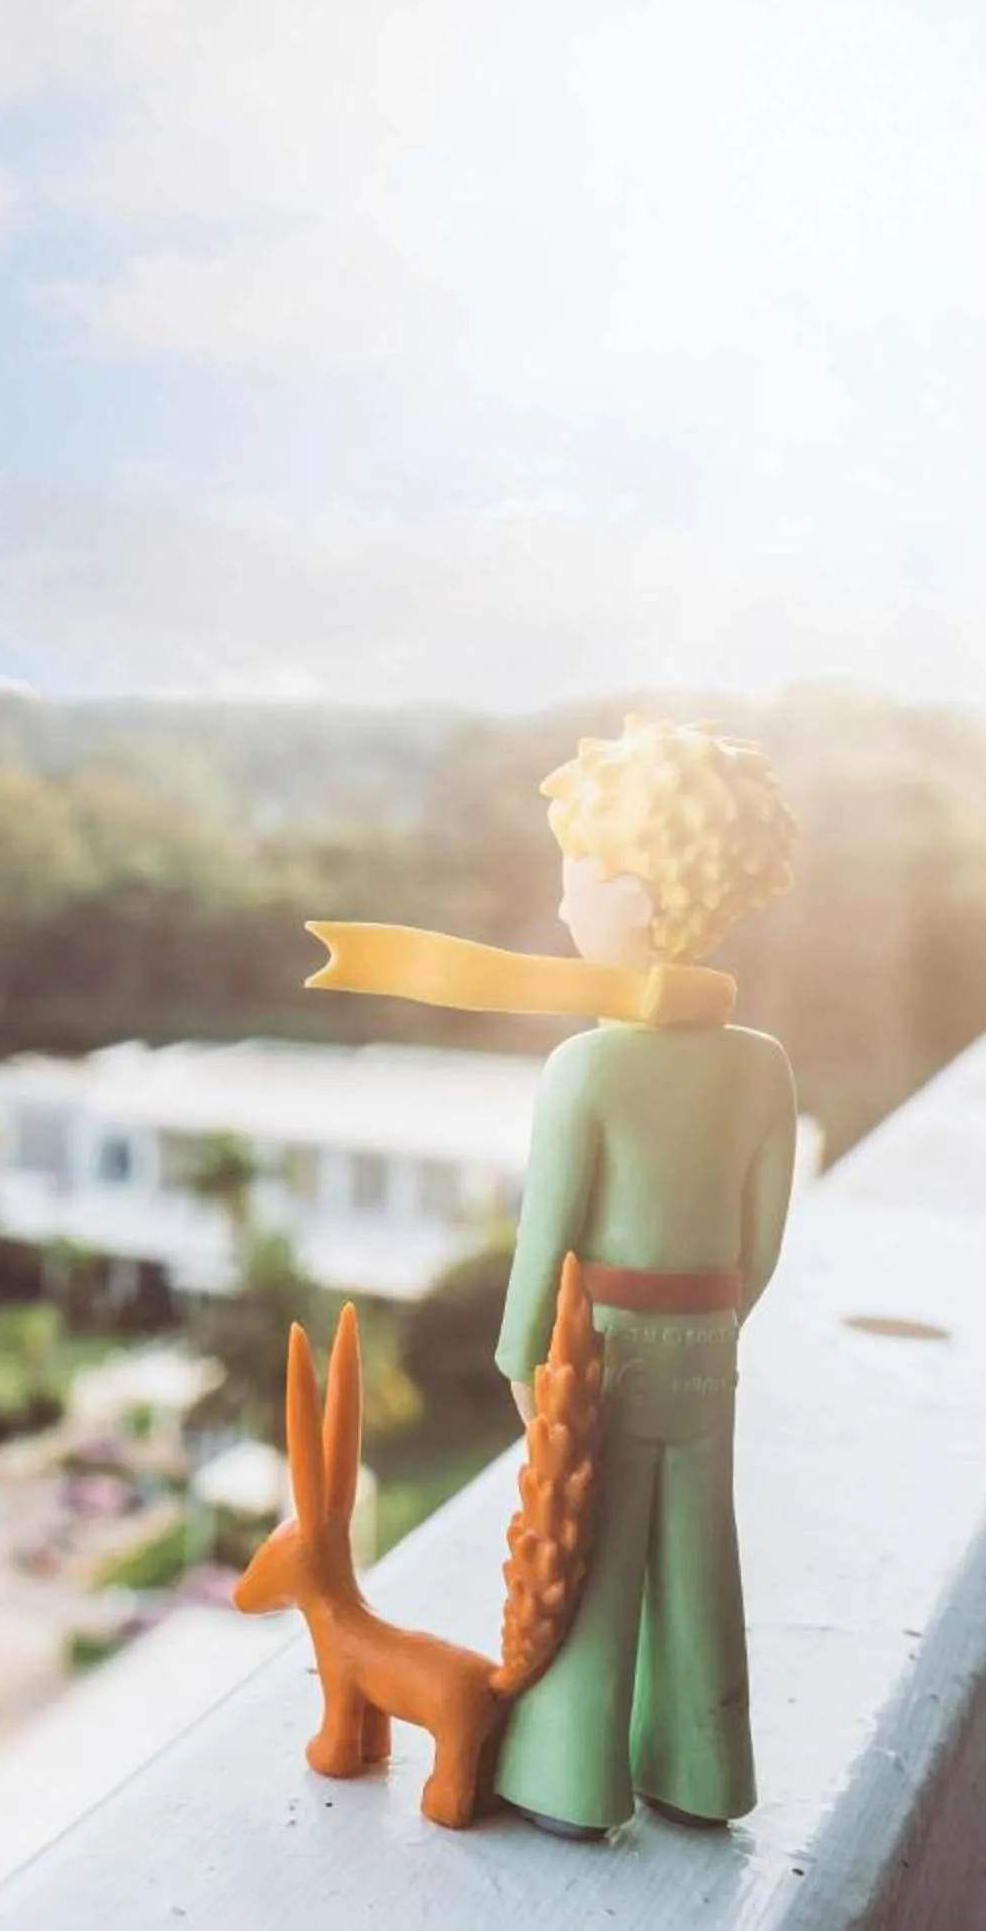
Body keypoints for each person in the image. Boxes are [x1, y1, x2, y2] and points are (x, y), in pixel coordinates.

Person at [305, 716, 800, 1835]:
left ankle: (571, 1780)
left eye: (577, 877)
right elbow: (761, 1242)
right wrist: (713, 1325)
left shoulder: (588, 1068)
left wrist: (521, 1356)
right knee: (701, 1558)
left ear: (638, 894)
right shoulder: (762, 1066)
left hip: (599, 1353)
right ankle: (703, 1769)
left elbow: (549, 1239)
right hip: (706, 1353)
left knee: (589, 1560)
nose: (566, 907)